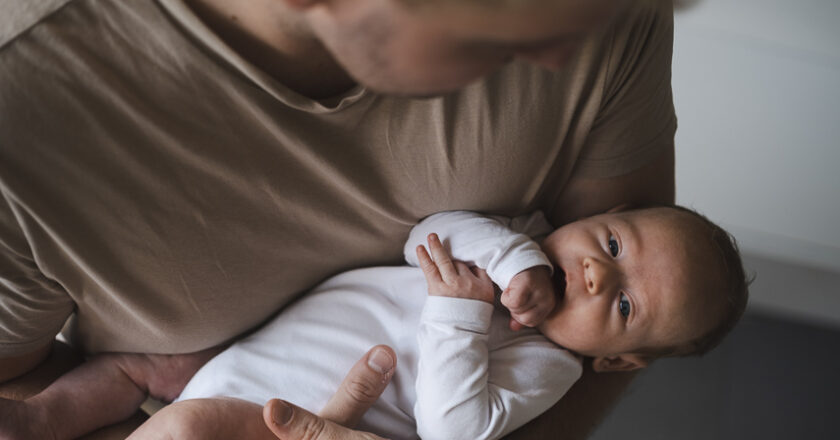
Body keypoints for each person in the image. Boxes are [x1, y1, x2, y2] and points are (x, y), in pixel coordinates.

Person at [0, 0, 679, 438]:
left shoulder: (603, 19)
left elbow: (645, 306)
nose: (564, 52)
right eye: (495, 15)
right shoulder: (24, 100)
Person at [0, 206, 748, 439]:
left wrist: (463, 311)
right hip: (230, 355)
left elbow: (453, 427)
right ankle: (35, 421)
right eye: (612, 244)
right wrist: (512, 259)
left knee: (188, 429)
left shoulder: (548, 366)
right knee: (140, 363)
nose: (594, 272)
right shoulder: (511, 236)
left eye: (622, 304)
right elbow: (427, 232)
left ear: (618, 362)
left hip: (270, 420)